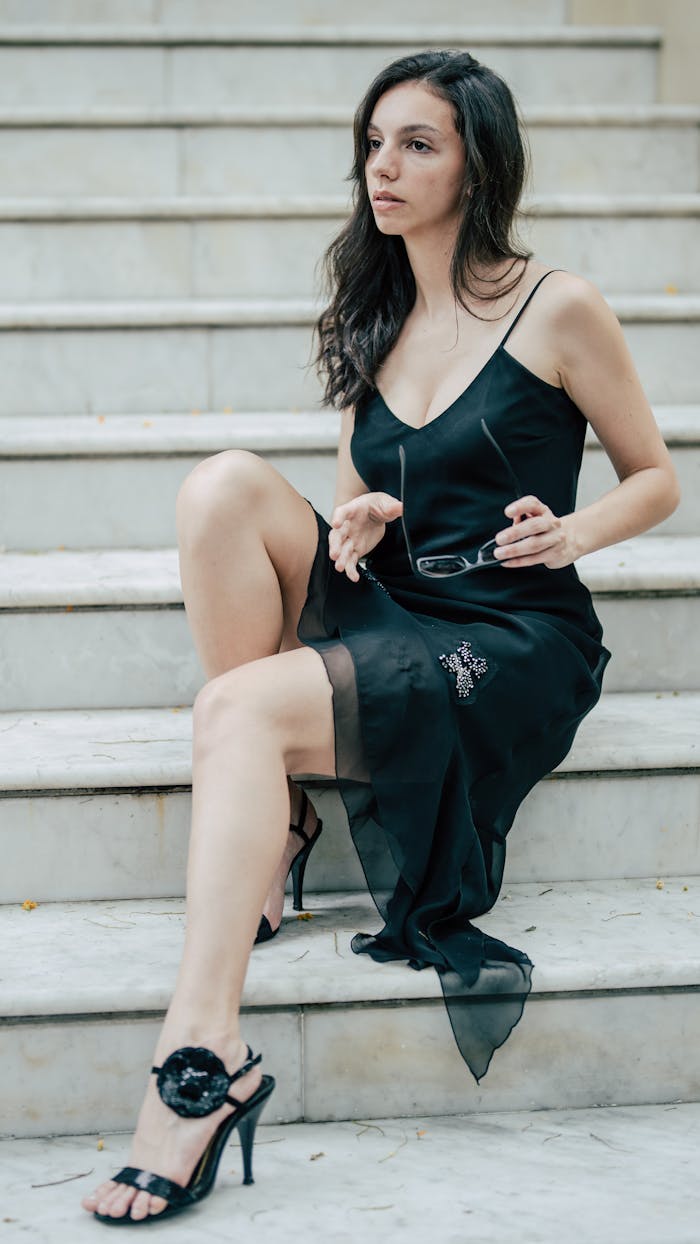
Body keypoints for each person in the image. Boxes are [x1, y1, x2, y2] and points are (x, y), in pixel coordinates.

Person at [82, 49, 680, 1225]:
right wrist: (367, 509)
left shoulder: (553, 302)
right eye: (373, 141)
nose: (383, 168)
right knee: (220, 488)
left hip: (512, 631)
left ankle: (200, 1060)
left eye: (418, 143)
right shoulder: (376, 314)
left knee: (235, 707)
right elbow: (382, 484)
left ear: (477, 164)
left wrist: (572, 532)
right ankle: (284, 810)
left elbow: (656, 478)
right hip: (406, 594)